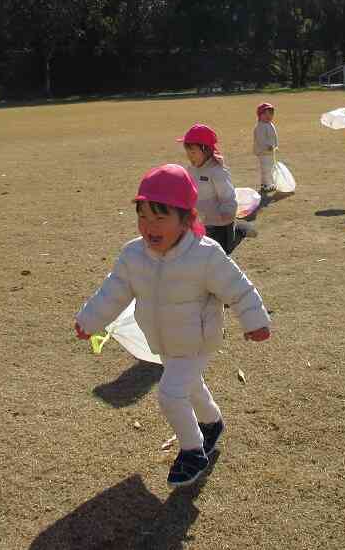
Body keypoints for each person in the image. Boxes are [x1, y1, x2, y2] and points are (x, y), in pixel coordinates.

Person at [74, 164, 271, 488]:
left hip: (197, 340)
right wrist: (89, 321)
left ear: (186, 219)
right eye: (143, 216)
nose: (149, 226)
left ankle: (193, 451)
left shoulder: (205, 255)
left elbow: (238, 289)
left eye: (160, 217)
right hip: (163, 340)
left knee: (170, 393)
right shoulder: (133, 255)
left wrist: (255, 321)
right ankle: (212, 423)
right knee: (190, 387)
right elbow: (112, 292)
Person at [179, 123, 254, 254]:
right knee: (204, 253)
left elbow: (228, 196)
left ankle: (240, 230)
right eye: (187, 152)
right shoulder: (191, 169)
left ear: (206, 150)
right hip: (202, 222)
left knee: (223, 251)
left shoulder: (217, 172)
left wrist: (227, 214)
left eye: (193, 152)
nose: (189, 156)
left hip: (220, 222)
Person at [253, 102, 278, 196]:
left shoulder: (269, 124)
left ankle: (265, 184)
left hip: (270, 151)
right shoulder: (260, 126)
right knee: (266, 169)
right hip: (263, 152)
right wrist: (268, 146)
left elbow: (274, 137)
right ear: (260, 115)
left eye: (270, 114)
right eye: (265, 114)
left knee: (270, 168)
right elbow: (261, 140)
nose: (268, 116)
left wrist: (275, 145)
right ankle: (267, 185)